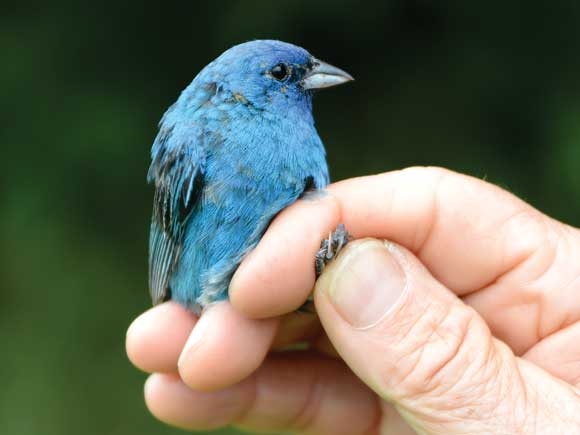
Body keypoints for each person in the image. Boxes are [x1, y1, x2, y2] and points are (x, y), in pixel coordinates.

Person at [126, 167, 580, 434]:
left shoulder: (297, 136)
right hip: (201, 284)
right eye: (285, 76)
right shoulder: (201, 132)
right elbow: (168, 230)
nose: (314, 78)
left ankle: (324, 282)